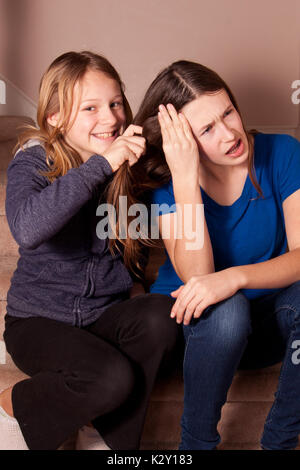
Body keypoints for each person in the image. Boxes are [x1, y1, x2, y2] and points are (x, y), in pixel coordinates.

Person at [0, 51, 180, 451]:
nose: (111, 118)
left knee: (161, 316)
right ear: (55, 117)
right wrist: (101, 164)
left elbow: (130, 247)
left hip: (103, 319)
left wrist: (135, 295)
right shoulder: (34, 163)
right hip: (38, 322)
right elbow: (28, 229)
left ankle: (105, 439)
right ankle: (13, 404)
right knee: (111, 377)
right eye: (91, 108)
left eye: (115, 103)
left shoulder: (127, 169)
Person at [130, 60, 300, 450]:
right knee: (228, 311)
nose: (229, 134)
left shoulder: (283, 153)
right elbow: (198, 276)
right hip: (204, 336)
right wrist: (186, 177)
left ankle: (280, 441)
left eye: (227, 113)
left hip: (267, 330)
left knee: (237, 299)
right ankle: (195, 445)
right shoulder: (171, 186)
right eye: (207, 129)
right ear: (182, 142)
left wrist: (235, 276)